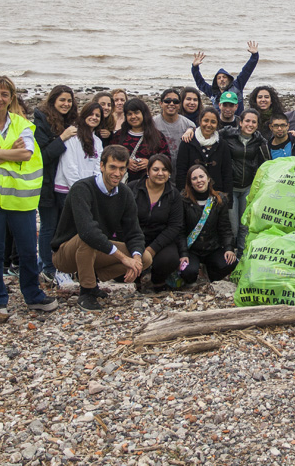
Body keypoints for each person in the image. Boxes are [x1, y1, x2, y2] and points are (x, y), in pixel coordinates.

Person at [0, 75, 59, 314]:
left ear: (11, 99)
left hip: (20, 198)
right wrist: (8, 151)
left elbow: (26, 154)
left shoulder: (22, 124)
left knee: (28, 250)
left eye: (4, 94)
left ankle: (33, 295)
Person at [50, 145, 147, 311]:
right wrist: (124, 259)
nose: (117, 173)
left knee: (145, 257)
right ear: (101, 166)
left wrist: (136, 260)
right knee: (87, 239)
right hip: (66, 253)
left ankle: (93, 279)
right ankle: (87, 291)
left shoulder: (124, 193)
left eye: (122, 168)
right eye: (112, 167)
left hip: (97, 250)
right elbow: (87, 231)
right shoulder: (82, 188)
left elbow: (134, 231)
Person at [32, 85, 78, 286]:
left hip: (65, 183)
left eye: (69, 100)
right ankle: (48, 268)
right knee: (48, 226)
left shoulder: (71, 120)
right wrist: (62, 138)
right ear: (53, 101)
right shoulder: (41, 120)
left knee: (63, 225)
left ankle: (61, 264)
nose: (66, 104)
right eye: (62, 100)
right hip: (47, 182)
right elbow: (41, 156)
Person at [132, 154, 188, 290]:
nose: (160, 173)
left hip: (160, 239)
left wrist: (151, 250)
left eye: (165, 170)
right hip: (134, 237)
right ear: (147, 171)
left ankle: (157, 281)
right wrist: (137, 248)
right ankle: (135, 279)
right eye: (156, 169)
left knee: (169, 259)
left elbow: (175, 226)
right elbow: (125, 219)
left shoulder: (174, 194)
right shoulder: (133, 189)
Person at [180, 164, 238, 285]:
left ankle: (212, 276)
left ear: (208, 179)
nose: (199, 181)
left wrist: (229, 248)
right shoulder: (183, 200)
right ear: (190, 183)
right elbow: (180, 230)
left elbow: (225, 228)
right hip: (192, 249)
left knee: (230, 262)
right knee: (187, 271)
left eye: (201, 176)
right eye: (194, 178)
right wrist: (183, 253)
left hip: (212, 247)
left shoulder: (219, 199)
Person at [222, 108, 270, 251]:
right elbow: (208, 135)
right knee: (233, 226)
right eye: (247, 121)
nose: (250, 124)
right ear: (240, 122)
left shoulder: (259, 140)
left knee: (245, 225)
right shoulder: (228, 135)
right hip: (231, 187)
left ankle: (241, 255)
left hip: (248, 188)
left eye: (254, 122)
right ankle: (229, 253)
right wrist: (191, 131)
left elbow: (268, 159)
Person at [175, 106, 235, 191]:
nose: (209, 125)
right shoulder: (188, 142)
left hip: (216, 194)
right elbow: (181, 171)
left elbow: (227, 174)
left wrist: (227, 199)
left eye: (213, 122)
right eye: (206, 120)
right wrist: (182, 195)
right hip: (192, 194)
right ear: (200, 121)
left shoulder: (222, 145)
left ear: (217, 124)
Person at [112, 98, 171, 183]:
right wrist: (125, 162)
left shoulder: (157, 136)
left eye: (136, 113)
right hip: (123, 183)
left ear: (144, 114)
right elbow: (110, 157)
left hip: (150, 184)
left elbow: (167, 160)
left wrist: (150, 163)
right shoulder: (119, 136)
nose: (133, 117)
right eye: (129, 114)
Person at [54, 100, 105, 197]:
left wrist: (92, 188)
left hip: (88, 190)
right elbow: (69, 166)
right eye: (91, 114)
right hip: (67, 190)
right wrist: (79, 189)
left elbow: (98, 168)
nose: (94, 117)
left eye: (97, 116)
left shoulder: (98, 141)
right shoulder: (72, 136)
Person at [191, 41, 259, 112]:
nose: (222, 79)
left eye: (224, 77)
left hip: (237, 121)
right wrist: (195, 68)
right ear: (216, 81)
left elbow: (247, 71)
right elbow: (200, 83)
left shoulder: (237, 86)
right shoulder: (212, 92)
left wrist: (254, 56)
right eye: (219, 78)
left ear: (229, 79)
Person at [154, 87, 197, 163]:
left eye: (175, 101)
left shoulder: (189, 124)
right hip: (160, 167)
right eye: (167, 101)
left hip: (181, 167)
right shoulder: (153, 123)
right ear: (161, 104)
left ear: (179, 105)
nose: (171, 104)